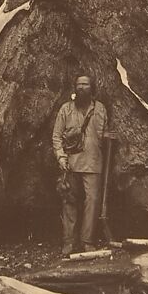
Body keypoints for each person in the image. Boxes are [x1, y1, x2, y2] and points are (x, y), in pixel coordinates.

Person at [51, 73, 112, 256]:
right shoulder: (66, 109)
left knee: (92, 202)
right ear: (74, 88)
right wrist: (61, 157)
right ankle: (69, 242)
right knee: (69, 202)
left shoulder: (100, 109)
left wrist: (109, 136)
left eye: (85, 84)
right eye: (79, 84)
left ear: (91, 88)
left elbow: (103, 133)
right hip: (70, 164)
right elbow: (56, 137)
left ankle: (87, 241)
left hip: (93, 163)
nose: (81, 87)